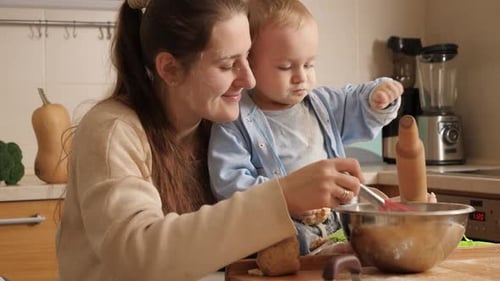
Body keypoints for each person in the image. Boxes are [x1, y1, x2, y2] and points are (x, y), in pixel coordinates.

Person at [55, 0, 368, 280]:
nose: (249, 79)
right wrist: (281, 196)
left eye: (248, 57)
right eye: (227, 64)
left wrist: (321, 248)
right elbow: (138, 256)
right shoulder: (112, 130)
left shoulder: (218, 126)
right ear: (170, 68)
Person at [208, 0, 403, 255]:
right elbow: (230, 184)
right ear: (250, 63)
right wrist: (287, 200)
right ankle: (335, 252)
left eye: (309, 64)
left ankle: (356, 243)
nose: (301, 77)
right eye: (286, 67)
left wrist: (377, 97)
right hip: (287, 224)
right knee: (281, 241)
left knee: (365, 216)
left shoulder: (321, 104)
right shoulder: (234, 121)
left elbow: (354, 101)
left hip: (336, 216)